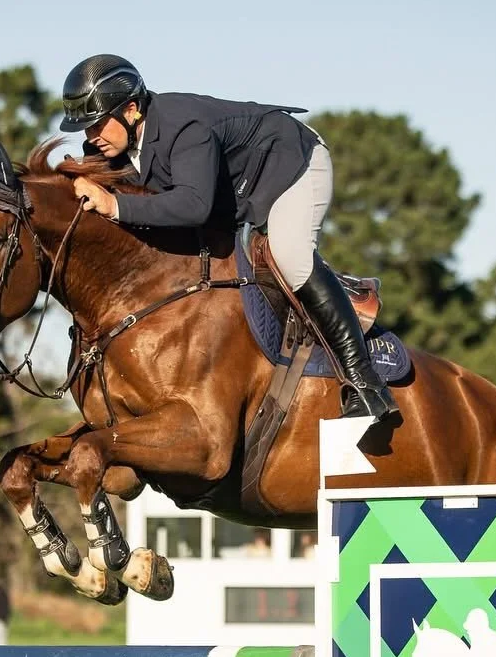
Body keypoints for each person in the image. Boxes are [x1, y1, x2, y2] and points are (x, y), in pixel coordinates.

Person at [59, 54, 399, 421]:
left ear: (130, 110)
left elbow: (193, 205)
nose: (90, 138)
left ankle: (364, 384)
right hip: (234, 195)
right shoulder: (107, 146)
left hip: (289, 167)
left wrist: (115, 206)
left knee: (289, 253)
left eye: (96, 125)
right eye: (85, 129)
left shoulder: (184, 126)